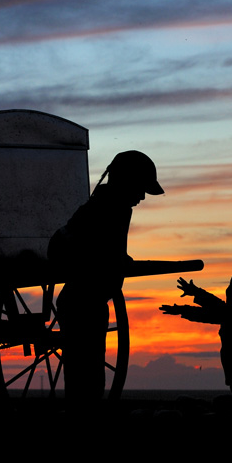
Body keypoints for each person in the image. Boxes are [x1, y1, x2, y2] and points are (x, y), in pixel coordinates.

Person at [50, 150, 164, 410]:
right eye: (139, 188)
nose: (142, 196)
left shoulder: (111, 206)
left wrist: (118, 258)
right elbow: (89, 248)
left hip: (90, 301)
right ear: (125, 182)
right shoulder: (106, 208)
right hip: (83, 302)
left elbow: (109, 250)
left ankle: (85, 419)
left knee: (88, 378)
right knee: (86, 379)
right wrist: (114, 259)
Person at [160, 267, 232, 441]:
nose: (228, 290)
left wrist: (191, 298)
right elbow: (214, 311)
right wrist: (187, 304)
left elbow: (214, 311)